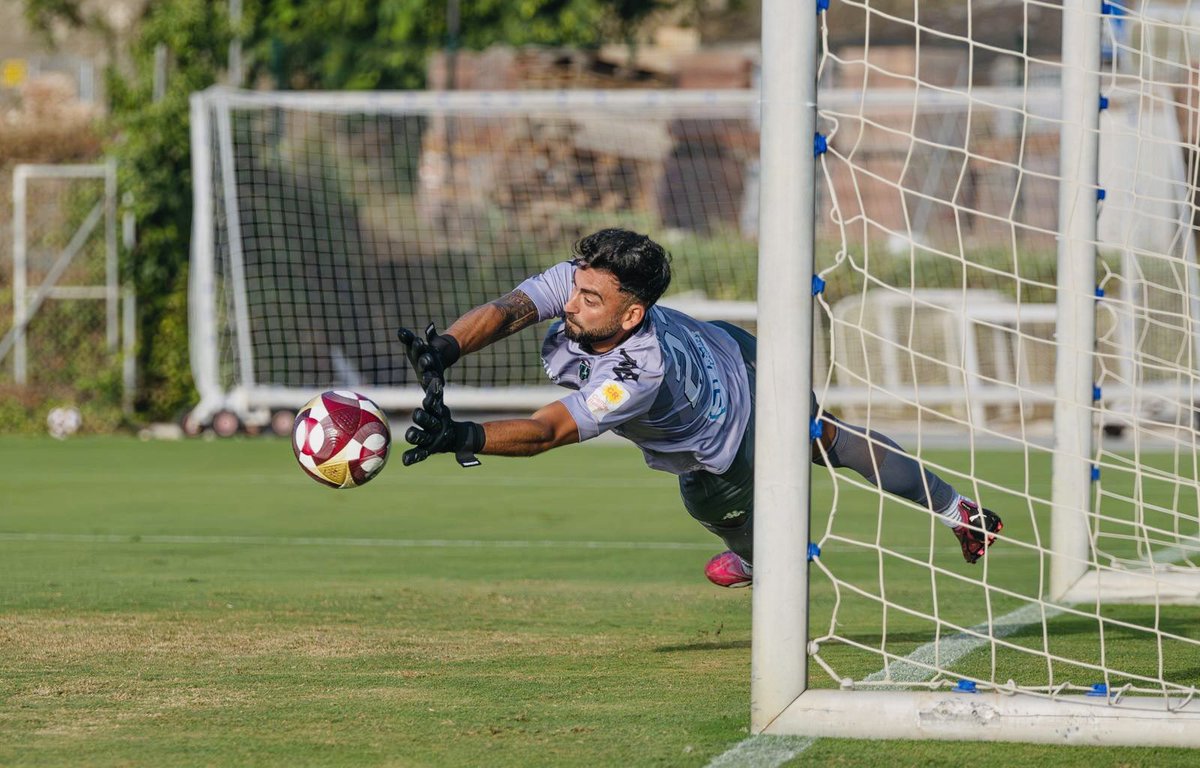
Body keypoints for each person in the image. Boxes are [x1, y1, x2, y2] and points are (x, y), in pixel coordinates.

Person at [396, 228, 1002, 588]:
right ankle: (962, 510)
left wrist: (461, 436)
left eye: (586, 299)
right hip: (739, 351)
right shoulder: (593, 282)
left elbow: (547, 430)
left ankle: (763, 560)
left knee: (705, 498)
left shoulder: (634, 375)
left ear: (630, 316)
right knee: (826, 438)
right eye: (573, 289)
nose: (570, 304)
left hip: (730, 436)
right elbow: (510, 309)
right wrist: (444, 348)